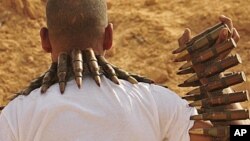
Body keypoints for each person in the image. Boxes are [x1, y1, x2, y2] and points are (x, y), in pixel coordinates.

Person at [0, 0, 245, 141]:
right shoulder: (152, 101)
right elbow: (240, 135)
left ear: (44, 40)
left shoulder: (16, 117)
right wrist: (214, 73)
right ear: (109, 37)